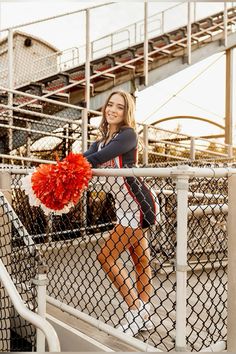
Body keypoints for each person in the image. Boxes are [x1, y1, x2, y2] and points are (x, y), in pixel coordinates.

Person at [83, 90, 160, 336]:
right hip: (123, 207)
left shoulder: (128, 135)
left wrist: (77, 163)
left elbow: (97, 159)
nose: (113, 110)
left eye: (119, 107)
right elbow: (86, 156)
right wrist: (63, 166)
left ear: (126, 112)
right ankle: (144, 313)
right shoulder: (101, 140)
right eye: (110, 105)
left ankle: (136, 311)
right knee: (140, 261)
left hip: (139, 206)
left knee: (106, 258)